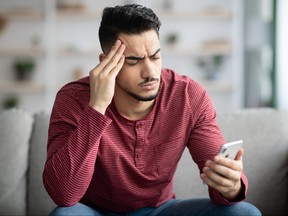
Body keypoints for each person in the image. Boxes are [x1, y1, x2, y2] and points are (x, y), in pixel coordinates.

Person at [43, 4, 261, 216]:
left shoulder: (187, 96)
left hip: (161, 209)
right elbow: (64, 195)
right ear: (106, 62)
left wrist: (231, 186)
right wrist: (97, 107)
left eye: (155, 57)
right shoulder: (73, 98)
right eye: (133, 61)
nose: (150, 72)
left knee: (245, 213)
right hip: (95, 211)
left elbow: (222, 177)